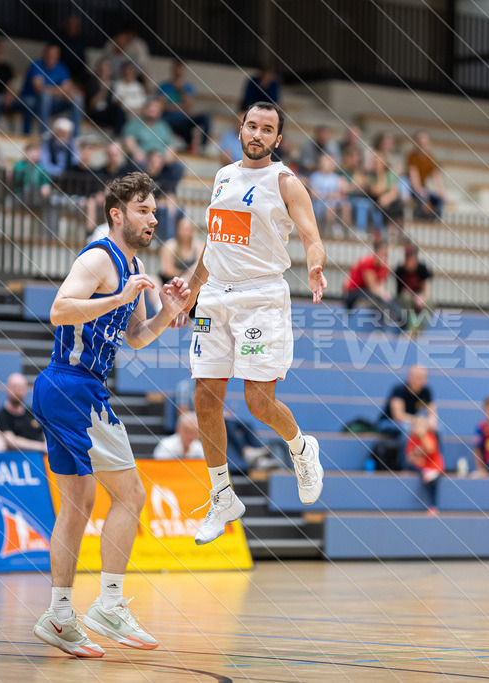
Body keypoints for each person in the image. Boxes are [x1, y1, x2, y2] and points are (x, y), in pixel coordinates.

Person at [31, 172, 190, 657]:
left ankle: (60, 614)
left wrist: (170, 309)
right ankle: (109, 603)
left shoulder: (135, 264)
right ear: (117, 214)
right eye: (143, 209)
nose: (153, 217)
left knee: (77, 506)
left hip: (65, 391)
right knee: (131, 495)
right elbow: (59, 310)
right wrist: (120, 297)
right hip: (74, 387)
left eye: (155, 209)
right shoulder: (100, 256)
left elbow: (137, 336)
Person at [177, 100, 327, 545]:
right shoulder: (223, 177)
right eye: (252, 126)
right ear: (240, 130)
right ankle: (223, 496)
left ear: (278, 140)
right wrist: (190, 289)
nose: (258, 134)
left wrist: (315, 266)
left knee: (259, 404)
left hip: (261, 297)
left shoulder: (285, 183)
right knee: (204, 396)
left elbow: (311, 237)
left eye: (268, 129)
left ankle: (301, 448)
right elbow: (214, 244)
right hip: (215, 297)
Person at [20, 44, 83, 135]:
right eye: (49, 55)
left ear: (58, 57)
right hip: (34, 101)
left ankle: (75, 137)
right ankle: (44, 135)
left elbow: (68, 88)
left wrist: (53, 91)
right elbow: (39, 89)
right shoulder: (36, 64)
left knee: (77, 98)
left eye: (54, 56)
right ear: (44, 54)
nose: (51, 58)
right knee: (45, 96)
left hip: (53, 102)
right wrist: (61, 91)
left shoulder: (62, 67)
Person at [342, 239, 404, 328]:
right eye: (383, 254)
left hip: (367, 291)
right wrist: (384, 295)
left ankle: (399, 318)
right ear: (376, 253)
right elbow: (373, 287)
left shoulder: (383, 265)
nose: (385, 258)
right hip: (353, 291)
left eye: (386, 255)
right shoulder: (367, 262)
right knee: (379, 297)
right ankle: (395, 319)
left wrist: (386, 295)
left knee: (388, 298)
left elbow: (381, 287)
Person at [157, 60, 210, 153]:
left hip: (184, 120)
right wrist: (181, 106)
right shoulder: (164, 86)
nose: (178, 71)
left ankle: (202, 147)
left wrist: (181, 89)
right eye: (176, 68)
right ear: (172, 70)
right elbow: (161, 107)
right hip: (168, 119)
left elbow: (189, 108)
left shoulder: (188, 87)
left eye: (181, 69)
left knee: (206, 117)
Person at [0, 373, 47, 454]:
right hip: (17, 461)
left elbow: (46, 431)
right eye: (14, 387)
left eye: (21, 388)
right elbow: (11, 441)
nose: (17, 391)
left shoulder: (34, 412)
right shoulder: (0, 416)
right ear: (7, 389)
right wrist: (41, 446)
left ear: (26, 390)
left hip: (41, 461)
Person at [406, 415, 443, 514]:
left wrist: (423, 436)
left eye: (420, 427)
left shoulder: (429, 436)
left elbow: (431, 449)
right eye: (416, 427)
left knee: (432, 479)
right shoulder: (412, 439)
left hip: (433, 466)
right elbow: (409, 457)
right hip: (421, 467)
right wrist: (416, 460)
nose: (418, 429)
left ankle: (433, 506)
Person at [407, 130, 446, 219]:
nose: (422, 146)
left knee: (439, 200)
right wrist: (420, 190)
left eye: (424, 143)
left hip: (424, 189)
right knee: (421, 198)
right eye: (420, 143)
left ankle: (435, 223)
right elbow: (414, 178)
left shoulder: (430, 157)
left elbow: (436, 175)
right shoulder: (412, 156)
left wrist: (441, 191)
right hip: (412, 189)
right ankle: (419, 221)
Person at [394, 243, 433, 330]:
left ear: (416, 259)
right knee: (406, 298)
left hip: (418, 296)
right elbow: (400, 292)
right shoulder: (400, 270)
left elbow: (426, 289)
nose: (409, 261)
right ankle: (409, 326)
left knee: (430, 303)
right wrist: (413, 297)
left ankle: (417, 329)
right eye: (407, 258)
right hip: (406, 298)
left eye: (411, 258)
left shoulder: (422, 269)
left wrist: (422, 297)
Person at [308, 153, 347, 233]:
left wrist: (336, 195)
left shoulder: (336, 177)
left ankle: (345, 232)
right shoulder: (315, 177)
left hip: (334, 202)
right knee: (330, 205)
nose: (329, 164)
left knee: (346, 205)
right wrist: (328, 195)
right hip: (319, 204)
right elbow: (313, 194)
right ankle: (330, 230)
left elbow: (340, 194)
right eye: (326, 161)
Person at [159, 216, 203, 284]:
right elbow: (167, 270)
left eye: (188, 229)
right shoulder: (170, 245)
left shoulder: (199, 246)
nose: (186, 232)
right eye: (184, 229)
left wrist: (188, 276)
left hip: (192, 281)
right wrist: (184, 276)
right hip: (171, 280)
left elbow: (200, 267)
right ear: (178, 229)